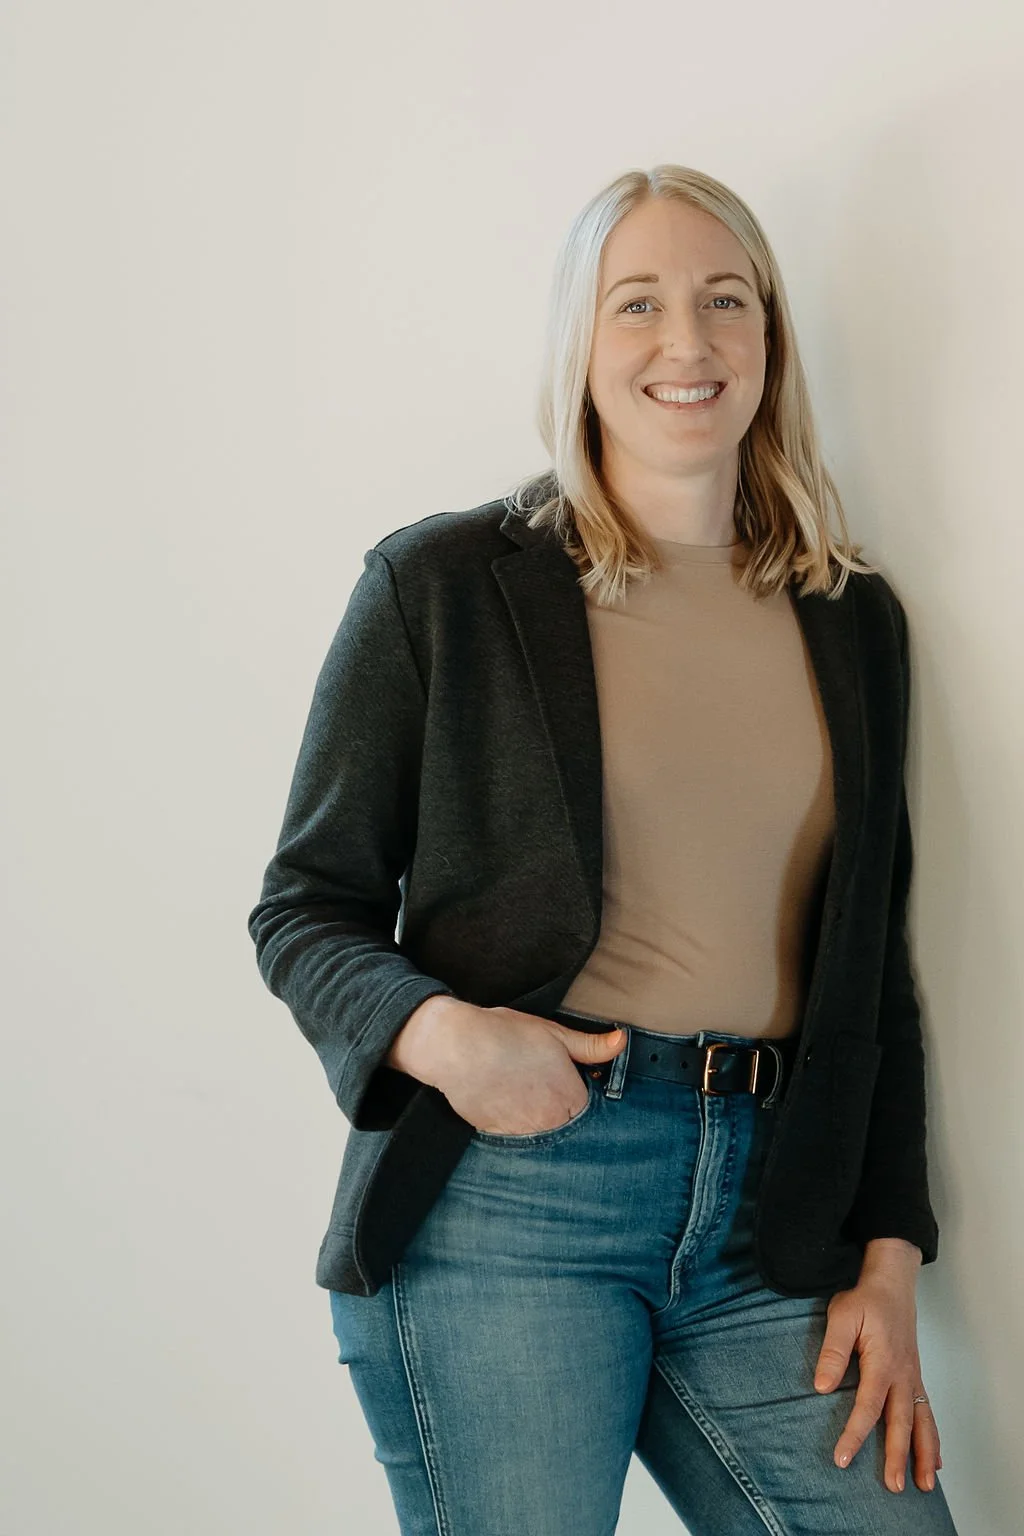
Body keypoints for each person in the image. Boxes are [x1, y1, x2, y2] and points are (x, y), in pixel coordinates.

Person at [247, 164, 959, 1534]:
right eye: (638, 305)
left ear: (771, 340)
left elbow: (874, 969)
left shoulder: (852, 618)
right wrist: (442, 1035)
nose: (686, 344)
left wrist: (888, 1251)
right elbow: (305, 905)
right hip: (509, 1204)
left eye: (724, 302)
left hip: (773, 1218)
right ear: (581, 342)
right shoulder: (442, 584)